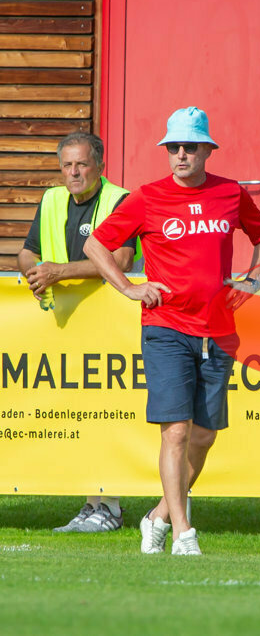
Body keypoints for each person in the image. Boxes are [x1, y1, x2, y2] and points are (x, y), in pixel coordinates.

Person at [84, 107, 260, 556]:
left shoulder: (230, 193)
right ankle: (184, 534)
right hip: (165, 328)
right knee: (175, 431)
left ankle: (157, 517)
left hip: (218, 331)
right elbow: (96, 244)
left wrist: (253, 280)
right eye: (174, 147)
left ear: (208, 149)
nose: (182, 154)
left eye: (191, 146)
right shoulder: (147, 197)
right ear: (166, 151)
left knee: (204, 437)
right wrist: (129, 287)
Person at [17, 132, 136, 533]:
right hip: (66, 326)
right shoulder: (51, 200)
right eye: (67, 165)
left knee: (108, 412)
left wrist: (58, 272)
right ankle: (92, 503)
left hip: (108, 323)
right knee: (81, 413)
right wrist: (34, 271)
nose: (74, 172)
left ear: (100, 166)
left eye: (82, 164)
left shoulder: (119, 200)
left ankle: (112, 506)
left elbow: (120, 259)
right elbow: (27, 250)